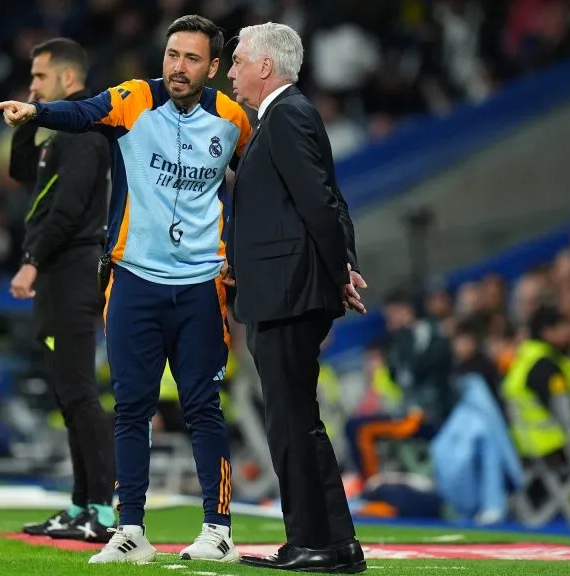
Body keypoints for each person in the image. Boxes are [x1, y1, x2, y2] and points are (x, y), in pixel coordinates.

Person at [0, 15, 251, 565]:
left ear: (213, 67)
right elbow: (82, 112)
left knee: (204, 407)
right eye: (172, 55)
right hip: (133, 281)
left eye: (191, 59)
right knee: (131, 407)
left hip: (202, 285)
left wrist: (244, 255)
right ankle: (129, 527)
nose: (178, 68)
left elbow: (258, 185)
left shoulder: (233, 120)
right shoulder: (133, 99)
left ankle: (219, 528)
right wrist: (36, 110)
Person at [225, 22, 367, 574]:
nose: (230, 70)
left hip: (287, 295)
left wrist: (340, 274)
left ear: (265, 66)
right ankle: (335, 542)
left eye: (237, 61)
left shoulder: (286, 115)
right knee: (299, 421)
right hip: (285, 292)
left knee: (290, 423)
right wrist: (343, 268)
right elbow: (330, 198)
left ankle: (311, 541)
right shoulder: (286, 117)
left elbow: (318, 202)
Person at [7, 38, 116, 544]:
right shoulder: (57, 134)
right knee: (67, 393)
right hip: (56, 271)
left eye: (39, 79)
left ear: (69, 80)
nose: (32, 87)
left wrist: (31, 262)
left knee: (78, 390)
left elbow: (68, 209)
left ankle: (105, 510)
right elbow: (22, 174)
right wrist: (26, 123)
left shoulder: (87, 133)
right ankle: (80, 504)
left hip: (71, 268)